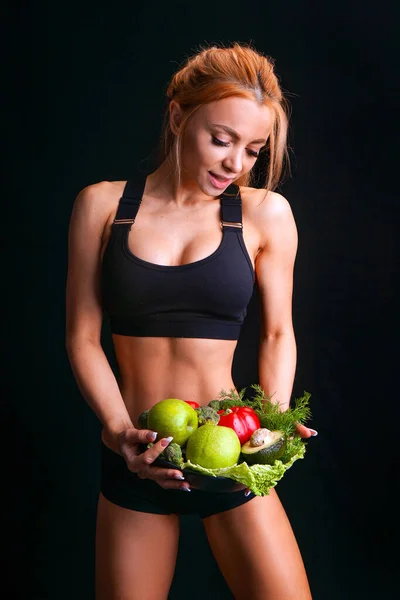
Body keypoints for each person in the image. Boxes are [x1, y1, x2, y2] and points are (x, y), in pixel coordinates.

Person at [66, 42, 317, 600]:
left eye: (253, 150)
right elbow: (82, 336)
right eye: (221, 139)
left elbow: (278, 333)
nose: (235, 163)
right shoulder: (102, 207)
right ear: (179, 115)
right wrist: (116, 432)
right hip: (139, 455)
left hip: (229, 451)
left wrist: (271, 425)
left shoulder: (264, 214)